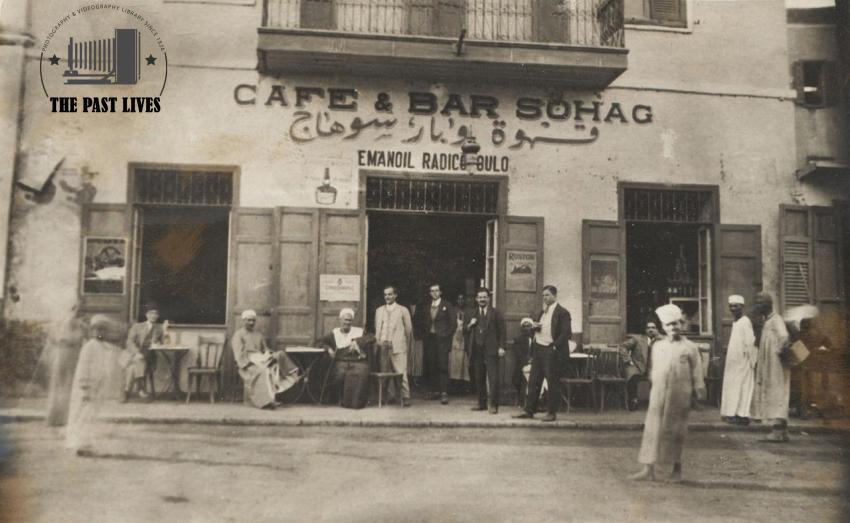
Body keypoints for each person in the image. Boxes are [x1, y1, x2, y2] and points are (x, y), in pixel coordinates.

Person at [630, 304, 705, 482]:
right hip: (659, 393)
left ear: (682, 324)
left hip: (680, 395)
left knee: (676, 431)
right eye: (669, 325)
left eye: (676, 324)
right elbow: (654, 370)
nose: (673, 328)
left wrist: (698, 391)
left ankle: (676, 470)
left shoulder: (690, 348)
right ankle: (648, 468)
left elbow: (697, 372)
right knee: (652, 429)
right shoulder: (659, 346)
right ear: (664, 327)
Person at [66, 315, 125, 456]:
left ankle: (85, 443)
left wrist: (133, 359)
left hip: (99, 387)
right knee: (82, 414)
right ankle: (78, 444)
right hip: (87, 387)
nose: (100, 333)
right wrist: (84, 387)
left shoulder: (107, 347)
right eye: (97, 330)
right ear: (92, 331)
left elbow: (119, 359)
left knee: (91, 415)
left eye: (103, 330)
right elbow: (83, 368)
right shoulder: (89, 347)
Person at [513, 285, 572, 422]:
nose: (545, 298)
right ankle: (529, 411)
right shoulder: (542, 312)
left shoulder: (563, 312)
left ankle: (551, 413)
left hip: (550, 350)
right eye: (543, 295)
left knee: (552, 382)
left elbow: (565, 333)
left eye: (547, 295)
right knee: (534, 381)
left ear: (554, 296)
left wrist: (554, 347)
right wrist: (535, 327)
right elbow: (542, 329)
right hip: (538, 349)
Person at [231, 309, 299, 410]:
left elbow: (265, 349)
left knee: (278, 360)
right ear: (243, 321)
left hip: (261, 359)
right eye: (249, 320)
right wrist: (249, 363)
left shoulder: (258, 334)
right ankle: (264, 402)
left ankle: (272, 398)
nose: (251, 323)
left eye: (253, 320)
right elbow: (238, 353)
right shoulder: (238, 335)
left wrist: (269, 354)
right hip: (248, 363)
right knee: (264, 371)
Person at [751, 292, 791, 442]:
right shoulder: (767, 321)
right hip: (770, 363)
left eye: (760, 303)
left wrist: (777, 352)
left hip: (776, 364)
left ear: (768, 304)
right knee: (774, 391)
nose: (758, 306)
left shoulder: (776, 319)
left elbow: (784, 337)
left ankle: (778, 431)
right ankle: (782, 431)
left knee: (778, 392)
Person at [317, 308, 373, 409]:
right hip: (341, 361)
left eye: (349, 320)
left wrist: (357, 341)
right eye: (345, 320)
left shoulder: (358, 331)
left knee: (360, 373)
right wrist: (328, 349)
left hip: (358, 361)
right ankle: (344, 401)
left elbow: (372, 337)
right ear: (340, 320)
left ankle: (356, 404)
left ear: (352, 321)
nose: (347, 322)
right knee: (340, 374)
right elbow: (320, 342)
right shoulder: (334, 333)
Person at [45, 305, 88, 427]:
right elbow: (53, 338)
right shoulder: (62, 325)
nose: (74, 314)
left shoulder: (81, 326)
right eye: (73, 311)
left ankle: (67, 417)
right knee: (60, 385)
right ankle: (56, 417)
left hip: (73, 355)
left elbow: (86, 340)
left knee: (70, 385)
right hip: (63, 355)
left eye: (77, 312)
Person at [414, 283, 457, 404]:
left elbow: (453, 324)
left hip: (442, 340)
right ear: (429, 293)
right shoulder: (427, 306)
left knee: (443, 365)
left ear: (440, 292)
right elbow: (422, 322)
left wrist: (445, 335)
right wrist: (423, 335)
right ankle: (434, 391)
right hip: (430, 340)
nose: (434, 293)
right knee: (431, 365)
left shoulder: (447, 305)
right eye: (432, 291)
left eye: (436, 290)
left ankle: (444, 393)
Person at [466, 287, 506, 414]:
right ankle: (481, 403)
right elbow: (465, 331)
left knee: (493, 378)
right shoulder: (472, 313)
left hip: (492, 350)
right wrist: (470, 325)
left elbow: (502, 332)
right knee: (479, 377)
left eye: (484, 297)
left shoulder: (496, 313)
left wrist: (501, 347)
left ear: (488, 298)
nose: (482, 299)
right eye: (480, 297)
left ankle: (493, 405)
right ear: (476, 299)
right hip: (477, 350)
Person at [720, 295, 757, 425]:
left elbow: (750, 343)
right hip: (733, 362)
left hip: (743, 362)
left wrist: (751, 362)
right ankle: (732, 413)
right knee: (733, 387)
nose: (732, 309)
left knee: (743, 388)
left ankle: (743, 415)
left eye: (735, 306)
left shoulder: (745, 321)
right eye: (731, 306)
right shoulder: (735, 322)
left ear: (742, 307)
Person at [374, 285, 413, 407]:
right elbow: (377, 328)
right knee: (385, 372)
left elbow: (408, 329)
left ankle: (405, 396)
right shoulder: (379, 310)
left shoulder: (403, 310)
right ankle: (389, 397)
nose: (387, 297)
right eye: (385, 294)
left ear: (395, 295)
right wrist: (379, 341)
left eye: (390, 294)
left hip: (397, 345)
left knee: (401, 371)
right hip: (383, 345)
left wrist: (400, 341)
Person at [122, 302, 163, 401]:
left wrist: (159, 342)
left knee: (134, 366)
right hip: (134, 354)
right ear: (146, 315)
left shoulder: (159, 328)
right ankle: (140, 390)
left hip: (150, 355)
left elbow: (163, 342)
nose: (154, 316)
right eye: (151, 313)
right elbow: (129, 341)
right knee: (137, 361)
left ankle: (127, 391)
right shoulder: (137, 326)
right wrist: (136, 353)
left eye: (156, 314)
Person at [619, 319, 660, 411]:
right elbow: (622, 347)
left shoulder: (661, 341)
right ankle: (633, 401)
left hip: (653, 369)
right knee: (633, 378)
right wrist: (628, 360)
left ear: (657, 330)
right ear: (645, 330)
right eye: (648, 328)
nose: (651, 330)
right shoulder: (638, 339)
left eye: (653, 328)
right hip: (638, 367)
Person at [447, 294, 471, 385]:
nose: (460, 301)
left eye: (462, 299)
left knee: (463, 361)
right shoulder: (453, 310)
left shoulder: (468, 311)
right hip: (454, 338)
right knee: (453, 361)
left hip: (464, 338)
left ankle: (463, 384)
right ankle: (453, 383)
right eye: (459, 299)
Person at [512, 317, 535, 407]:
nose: (527, 329)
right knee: (521, 379)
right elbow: (519, 354)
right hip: (522, 365)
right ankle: (522, 402)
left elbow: (537, 352)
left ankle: (537, 402)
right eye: (524, 326)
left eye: (529, 326)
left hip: (535, 365)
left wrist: (533, 360)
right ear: (522, 328)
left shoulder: (536, 339)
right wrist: (527, 361)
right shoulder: (518, 340)